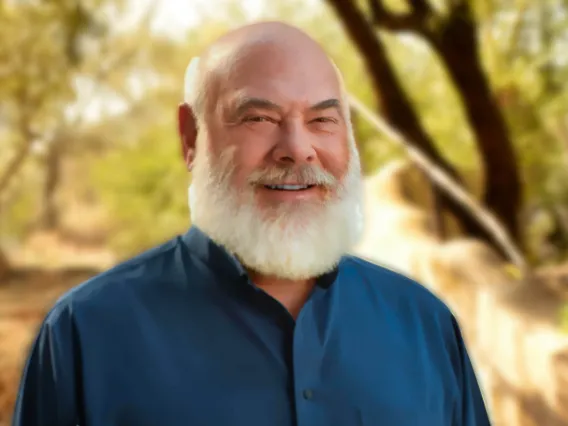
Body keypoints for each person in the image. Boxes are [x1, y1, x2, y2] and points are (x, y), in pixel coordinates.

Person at [12, 21, 492, 426]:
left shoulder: (425, 326)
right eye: (259, 117)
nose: (298, 148)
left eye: (323, 121)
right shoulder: (86, 334)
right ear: (191, 138)